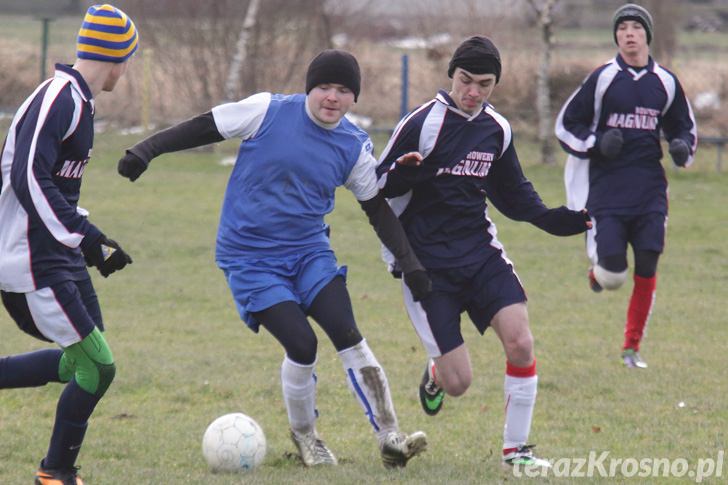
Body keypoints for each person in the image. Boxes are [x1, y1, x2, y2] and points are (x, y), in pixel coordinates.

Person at [116, 49, 430, 469]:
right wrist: (145, 150)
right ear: (308, 88)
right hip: (250, 259)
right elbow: (204, 126)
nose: (331, 97)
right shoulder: (266, 111)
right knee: (302, 343)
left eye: (342, 90)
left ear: (354, 98)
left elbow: (377, 210)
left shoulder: (353, 147)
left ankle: (390, 436)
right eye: (323, 87)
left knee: (347, 330)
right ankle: (307, 438)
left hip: (308, 253)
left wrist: (411, 263)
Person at [374, 36, 591, 469]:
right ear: (451, 75)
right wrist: (402, 176)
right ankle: (437, 373)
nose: (473, 92)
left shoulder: (497, 128)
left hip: (480, 252)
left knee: (521, 342)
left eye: (484, 84)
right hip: (426, 265)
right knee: (459, 384)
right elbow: (373, 189)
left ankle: (517, 452)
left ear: (495, 85)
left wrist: (555, 219)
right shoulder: (421, 123)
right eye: (465, 80)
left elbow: (513, 194)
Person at [0, 5, 137, 484]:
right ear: (118, 57)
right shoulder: (61, 97)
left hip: (57, 253)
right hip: (31, 261)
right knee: (97, 367)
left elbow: (56, 187)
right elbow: (27, 177)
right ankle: (55, 473)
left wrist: (91, 239)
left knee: (81, 361)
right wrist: (84, 238)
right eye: (129, 58)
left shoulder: (80, 99)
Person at [555, 3, 697, 369]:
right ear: (616, 36)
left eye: (635, 27)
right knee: (614, 277)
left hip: (650, 189)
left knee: (647, 264)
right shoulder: (603, 78)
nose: (628, 33)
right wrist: (596, 143)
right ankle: (598, 272)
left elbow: (685, 128)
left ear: (647, 35)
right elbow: (566, 124)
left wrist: (681, 149)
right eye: (622, 28)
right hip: (607, 191)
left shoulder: (664, 81)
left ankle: (631, 348)